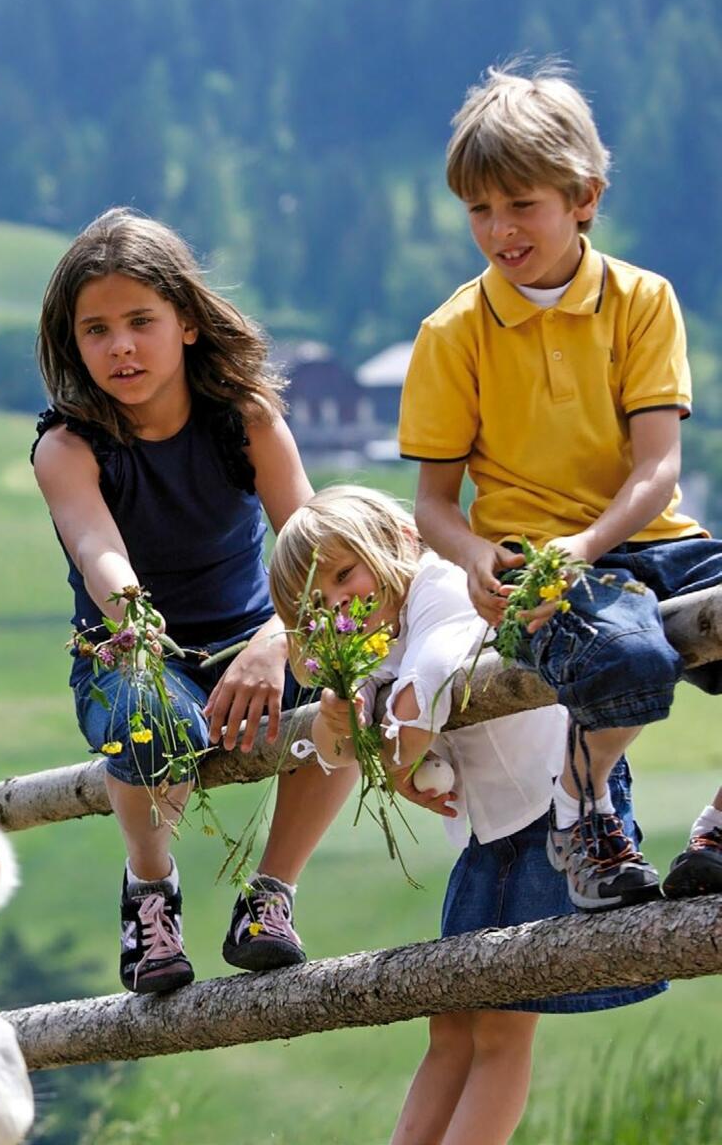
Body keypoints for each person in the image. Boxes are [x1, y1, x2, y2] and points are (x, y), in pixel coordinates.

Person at [399, 61, 722, 911]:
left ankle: (717, 827)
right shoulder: (453, 333)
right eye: (479, 209)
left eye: (521, 205)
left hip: (647, 540)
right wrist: (475, 556)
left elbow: (657, 471)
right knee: (629, 654)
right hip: (538, 568)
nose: (499, 229)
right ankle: (581, 814)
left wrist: (587, 544)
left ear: (584, 195)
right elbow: (434, 503)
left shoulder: (642, 300)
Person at [268, 485, 665, 1145]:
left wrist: (396, 761)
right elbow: (339, 753)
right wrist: (342, 717)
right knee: (451, 1022)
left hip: (554, 808)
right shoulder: (375, 632)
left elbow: (429, 681)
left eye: (345, 574)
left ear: (396, 543)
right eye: (317, 603)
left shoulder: (444, 588)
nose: (338, 602)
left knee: (504, 1022)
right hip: (493, 833)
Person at [31, 208, 357, 995]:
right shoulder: (67, 447)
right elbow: (98, 548)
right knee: (155, 717)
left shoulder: (247, 421)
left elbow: (317, 552)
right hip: (131, 649)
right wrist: (138, 626)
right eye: (97, 330)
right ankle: (150, 888)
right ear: (73, 344)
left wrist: (279, 639)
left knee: (354, 674)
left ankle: (270, 896)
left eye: (141, 320)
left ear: (186, 321)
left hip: (259, 635)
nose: (121, 347)